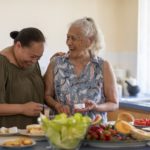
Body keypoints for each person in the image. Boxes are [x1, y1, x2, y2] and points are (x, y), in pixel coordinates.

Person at [44, 17, 119, 123]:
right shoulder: (56, 63)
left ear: (89, 41)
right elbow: (47, 95)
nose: (69, 43)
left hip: (95, 132)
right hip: (64, 130)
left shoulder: (103, 66)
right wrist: (57, 105)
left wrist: (96, 107)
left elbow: (114, 103)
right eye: (67, 38)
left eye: (73, 38)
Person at [0, 27, 45, 129]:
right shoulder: (2, 63)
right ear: (18, 46)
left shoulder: (32, 63)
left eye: (38, 57)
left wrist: (55, 63)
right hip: (9, 138)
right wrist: (22, 108)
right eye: (32, 56)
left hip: (34, 133)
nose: (35, 61)